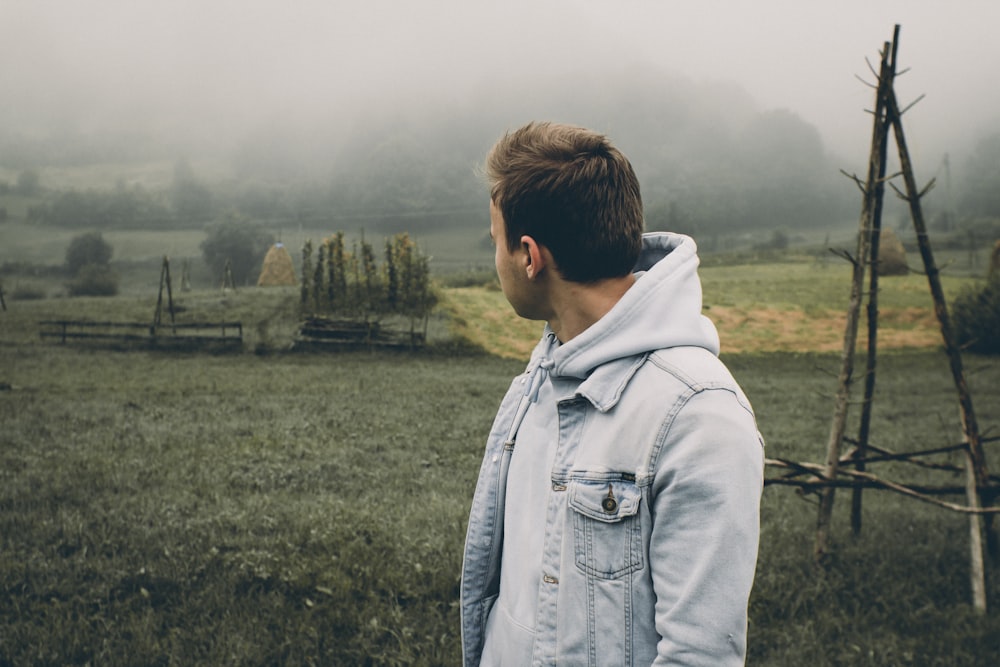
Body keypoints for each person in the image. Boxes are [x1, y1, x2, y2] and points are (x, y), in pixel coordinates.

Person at [460, 122, 764, 666]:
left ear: (530, 256)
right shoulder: (541, 376)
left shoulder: (699, 417)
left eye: (495, 242)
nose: (496, 260)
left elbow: (700, 656)